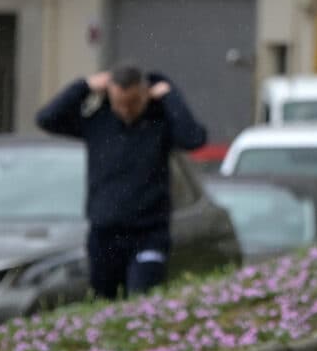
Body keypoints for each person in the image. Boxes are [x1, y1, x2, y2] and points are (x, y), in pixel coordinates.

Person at [36, 63, 208, 299]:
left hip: (149, 232)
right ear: (109, 95)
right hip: (104, 233)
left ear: (146, 94)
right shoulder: (97, 122)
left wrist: (169, 93)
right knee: (104, 302)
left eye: (133, 102)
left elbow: (194, 138)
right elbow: (46, 119)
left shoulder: (159, 123)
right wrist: (83, 86)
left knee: (142, 297)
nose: (126, 110)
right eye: (120, 103)